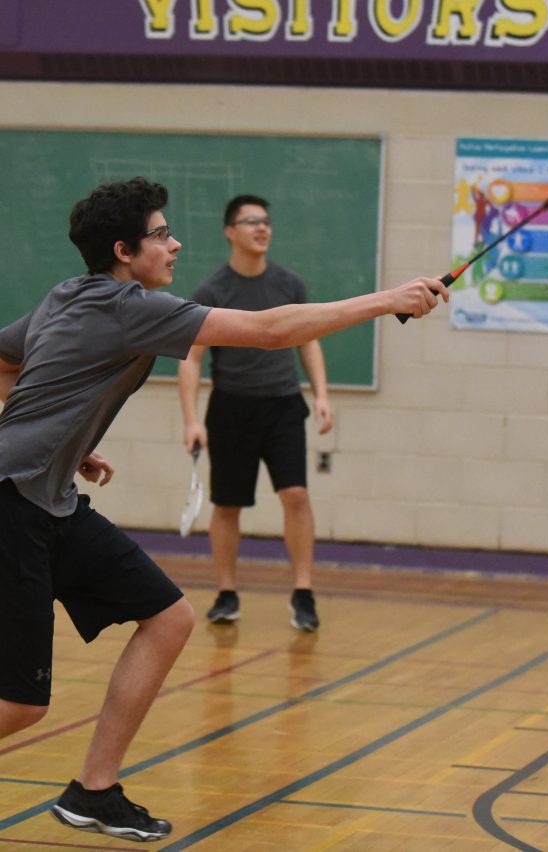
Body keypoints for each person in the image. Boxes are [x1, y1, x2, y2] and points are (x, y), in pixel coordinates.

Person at [0, 176, 447, 842]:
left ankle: (93, 791)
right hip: (13, 507)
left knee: (169, 618)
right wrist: (389, 299)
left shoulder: (66, 294)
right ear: (125, 250)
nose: (174, 243)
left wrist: (63, 442)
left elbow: (8, 363)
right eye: (160, 233)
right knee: (21, 704)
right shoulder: (131, 307)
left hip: (49, 497)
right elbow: (270, 331)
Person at [177, 195, 329, 631]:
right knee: (227, 505)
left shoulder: (289, 284)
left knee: (295, 495)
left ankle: (303, 593)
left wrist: (321, 394)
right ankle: (226, 593)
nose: (261, 228)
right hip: (231, 407)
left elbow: (309, 340)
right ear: (230, 231)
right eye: (250, 222)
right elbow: (192, 356)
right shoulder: (212, 291)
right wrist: (192, 419)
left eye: (266, 221)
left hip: (283, 406)